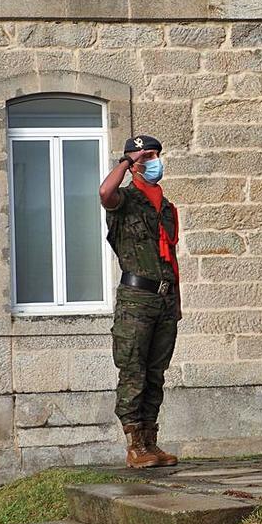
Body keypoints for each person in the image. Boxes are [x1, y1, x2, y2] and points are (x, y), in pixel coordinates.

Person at [98, 135, 181, 469]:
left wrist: (176, 303)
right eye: (146, 156)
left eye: (157, 154)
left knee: (155, 374)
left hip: (164, 298)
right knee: (133, 371)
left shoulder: (166, 207)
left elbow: (171, 259)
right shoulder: (125, 200)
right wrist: (126, 162)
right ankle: (134, 445)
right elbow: (105, 193)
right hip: (136, 299)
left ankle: (150, 441)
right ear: (130, 163)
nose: (154, 160)